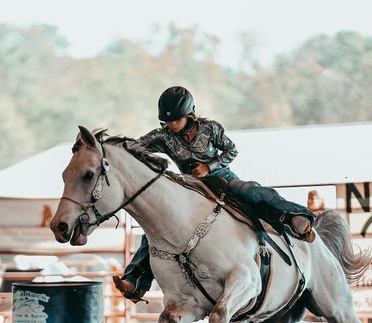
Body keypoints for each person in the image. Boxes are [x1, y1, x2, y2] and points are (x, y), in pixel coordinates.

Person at [113, 86, 315, 301]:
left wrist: (209, 167)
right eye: (167, 121)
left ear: (189, 114)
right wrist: (109, 146)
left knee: (248, 190)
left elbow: (232, 150)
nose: (172, 124)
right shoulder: (163, 136)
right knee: (157, 230)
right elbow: (134, 146)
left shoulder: (210, 129)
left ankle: (294, 218)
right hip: (191, 186)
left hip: (222, 177)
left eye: (176, 120)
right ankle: (134, 280)